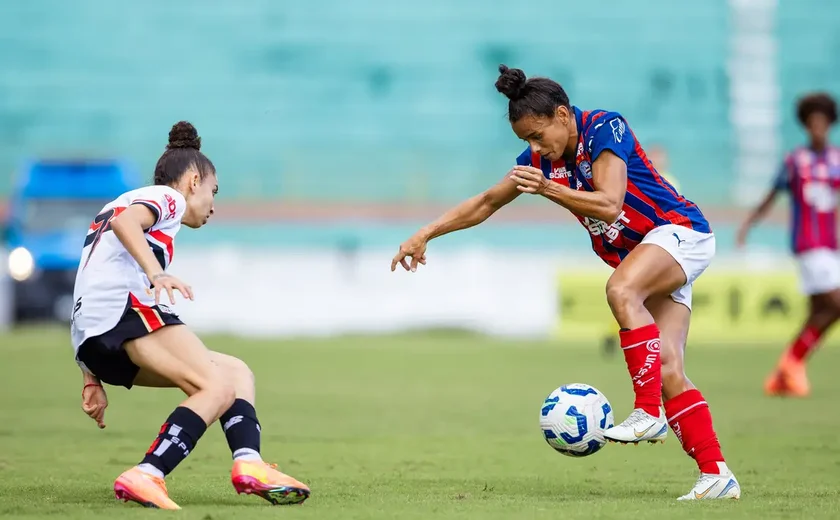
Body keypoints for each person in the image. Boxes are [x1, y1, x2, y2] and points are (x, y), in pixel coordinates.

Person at [391, 65, 740, 501]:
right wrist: (425, 233)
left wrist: (546, 189)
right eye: (526, 143)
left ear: (562, 115)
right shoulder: (540, 163)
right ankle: (717, 474)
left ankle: (648, 413)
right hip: (649, 256)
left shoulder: (603, 127)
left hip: (678, 231)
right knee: (668, 369)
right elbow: (485, 203)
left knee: (620, 289)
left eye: (539, 136)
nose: (536, 148)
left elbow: (611, 204)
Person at [71, 121, 310, 510]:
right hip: (127, 317)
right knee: (216, 387)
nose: (213, 204)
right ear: (193, 180)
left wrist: (88, 374)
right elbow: (125, 223)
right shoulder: (169, 198)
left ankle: (250, 464)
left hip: (96, 337)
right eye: (213, 191)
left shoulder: (117, 202)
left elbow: (87, 280)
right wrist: (157, 273)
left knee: (235, 373)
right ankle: (148, 473)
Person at [737, 92, 840, 398]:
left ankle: (785, 374)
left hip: (832, 245)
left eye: (822, 123)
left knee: (818, 311)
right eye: (812, 123)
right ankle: (791, 362)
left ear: (829, 124)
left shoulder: (837, 159)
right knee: (836, 304)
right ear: (806, 126)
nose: (817, 128)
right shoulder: (795, 161)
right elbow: (772, 196)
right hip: (809, 244)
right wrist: (748, 224)